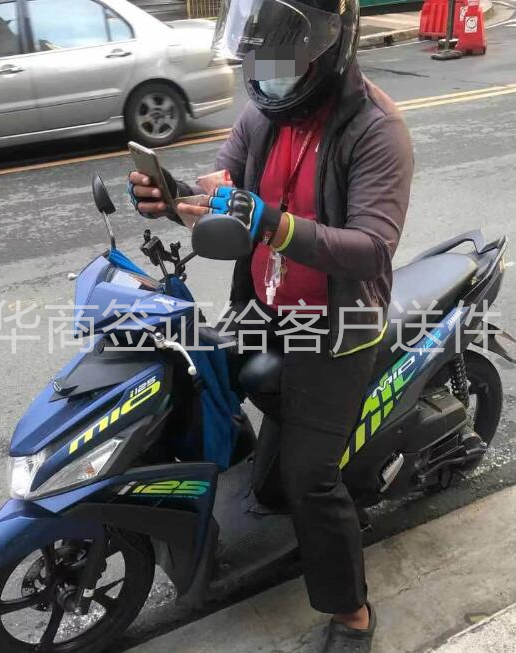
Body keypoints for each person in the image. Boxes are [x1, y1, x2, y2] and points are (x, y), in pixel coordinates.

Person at [128, 0, 414, 650]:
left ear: (329, 46)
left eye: (283, 51)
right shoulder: (263, 113)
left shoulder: (375, 129)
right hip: (263, 304)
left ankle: (353, 615)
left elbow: (371, 247)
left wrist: (273, 224)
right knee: (203, 378)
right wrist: (170, 197)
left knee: (309, 480)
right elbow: (222, 196)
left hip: (334, 326)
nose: (266, 68)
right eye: (259, 50)